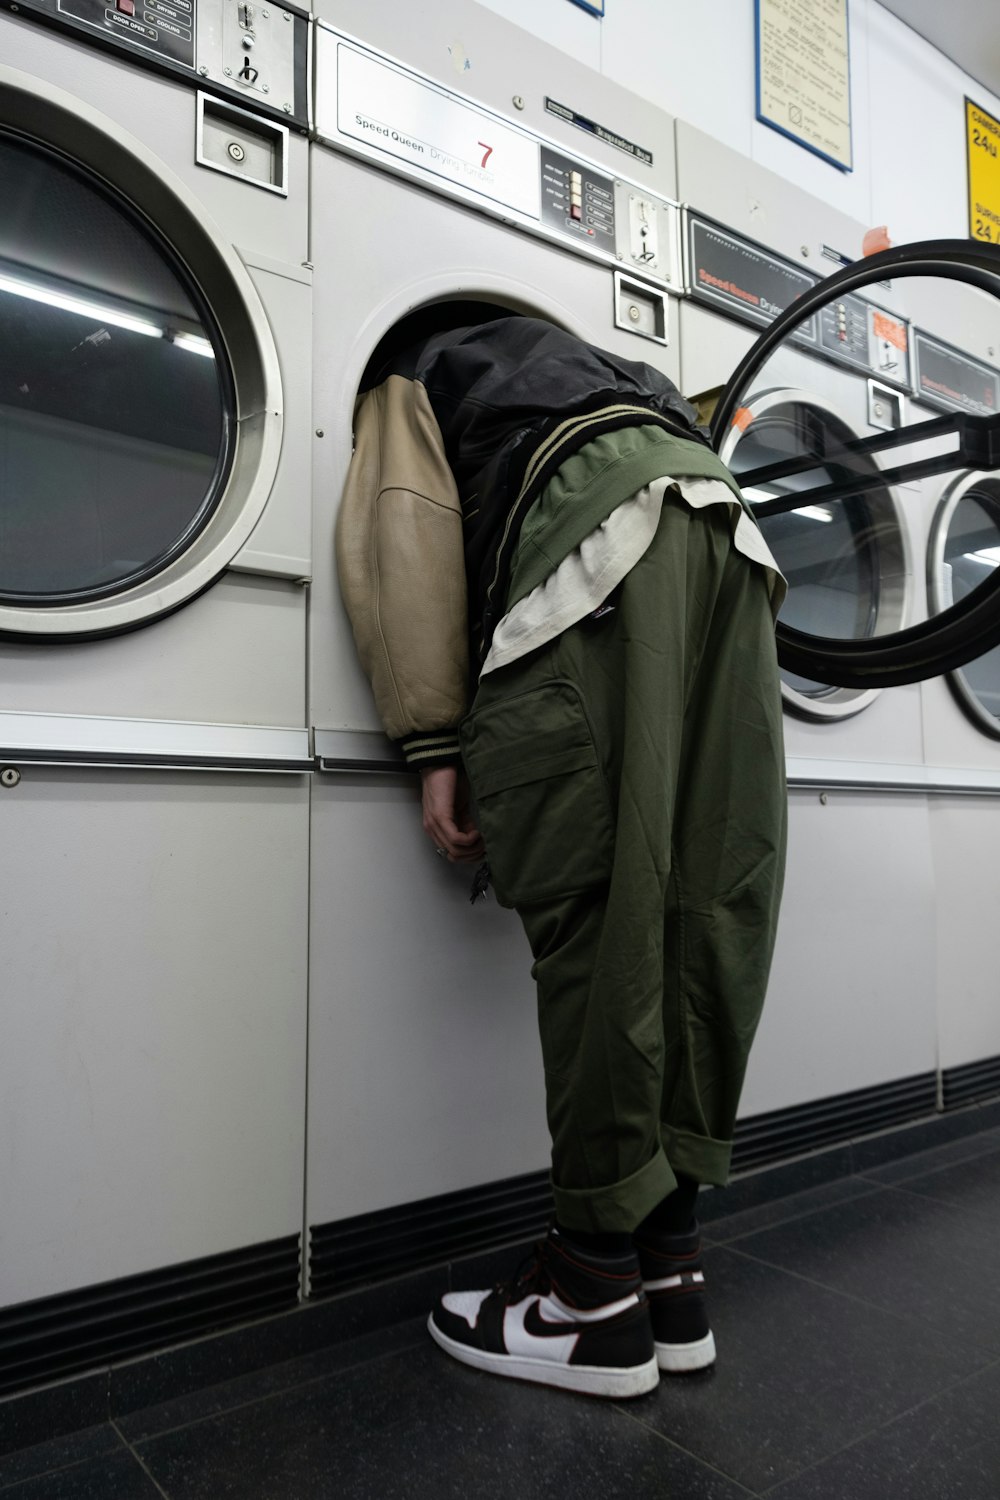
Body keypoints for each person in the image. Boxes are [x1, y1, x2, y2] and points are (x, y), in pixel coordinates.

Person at [336, 314, 787, 1399]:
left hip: (594, 536)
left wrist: (435, 740)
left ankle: (587, 1297)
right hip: (729, 536)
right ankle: (666, 1269)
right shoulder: (624, 374)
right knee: (702, 913)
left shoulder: (426, 366)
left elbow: (405, 528)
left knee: (606, 927)